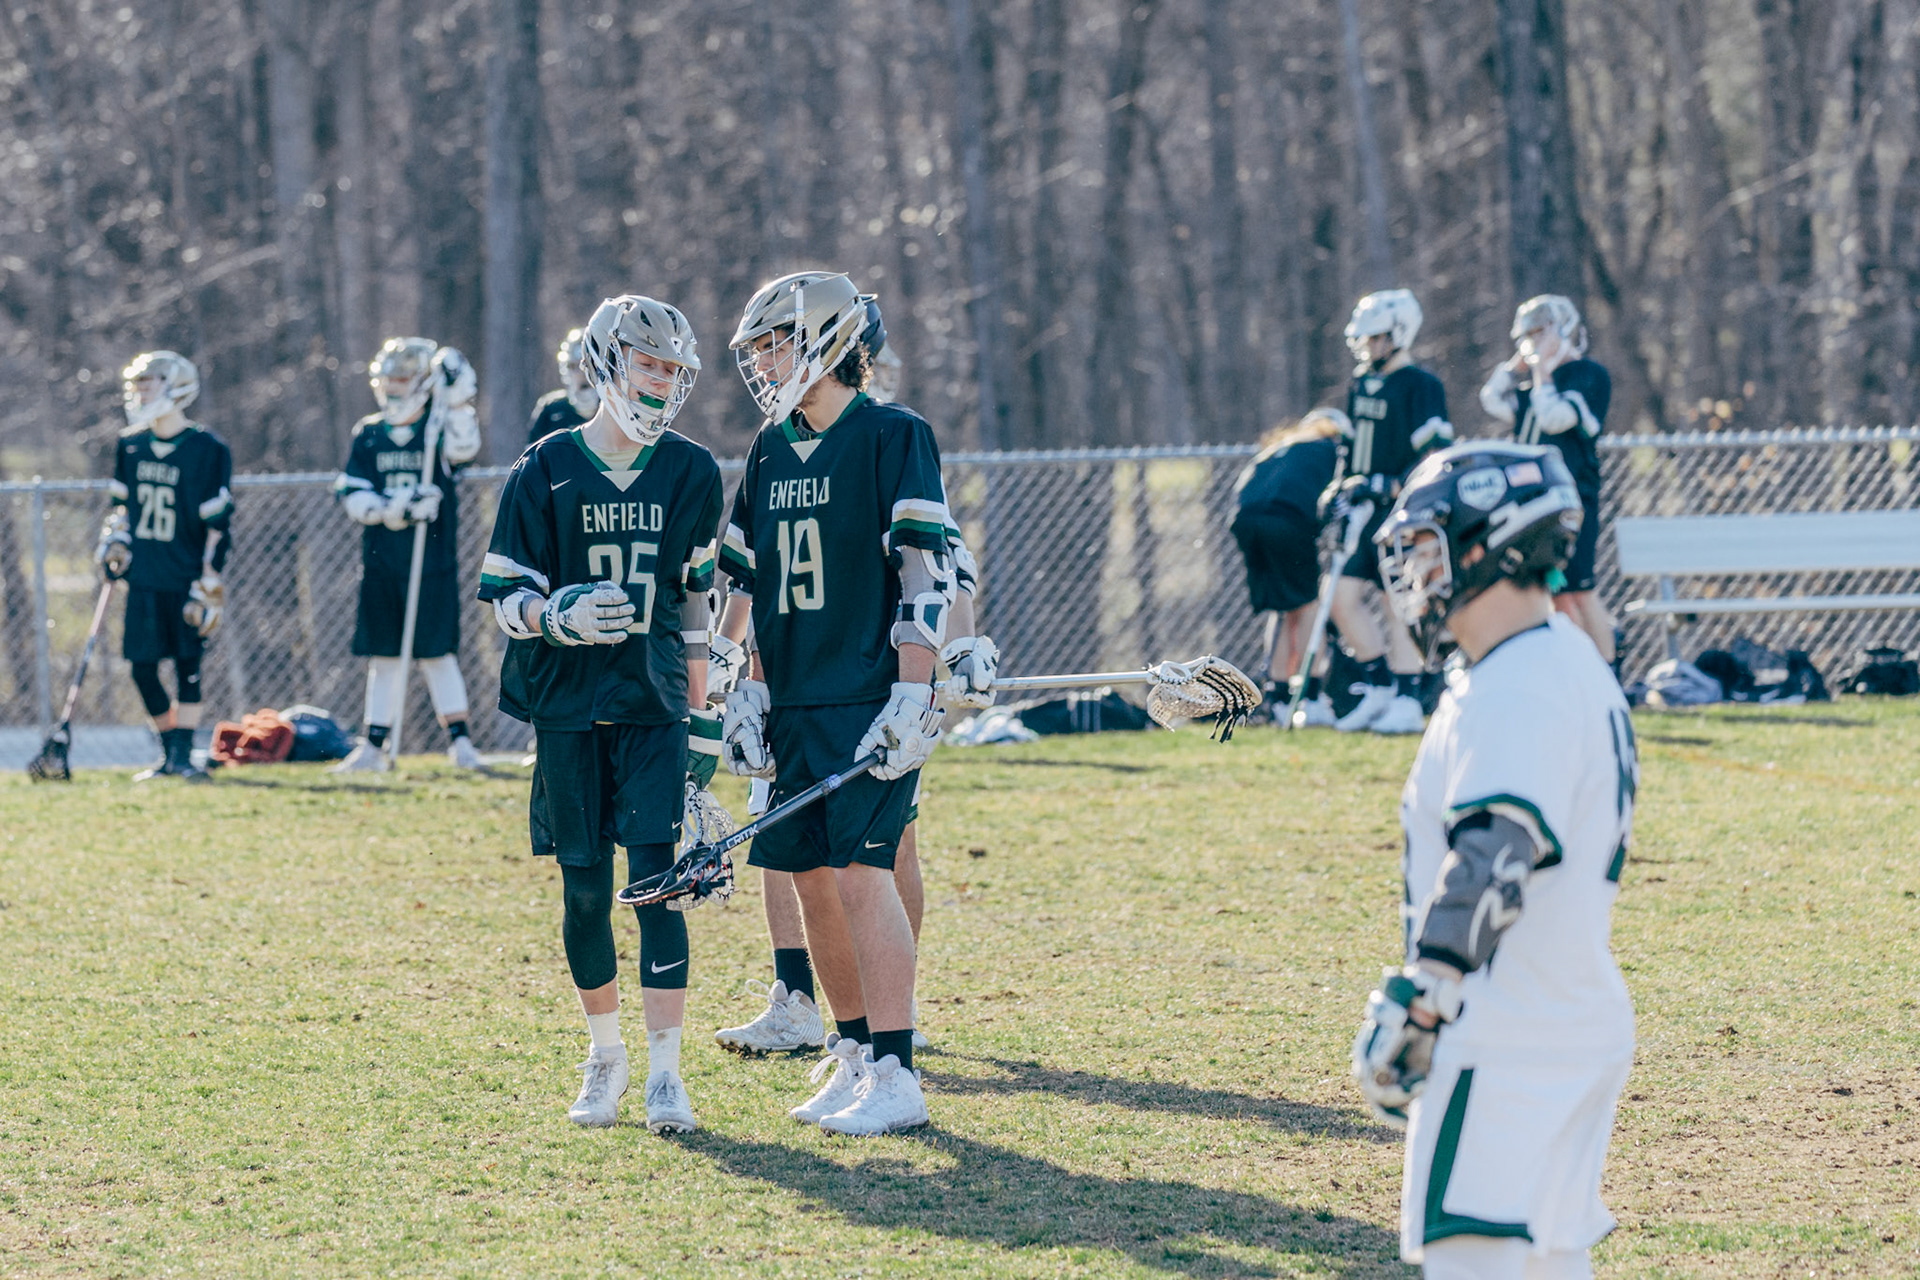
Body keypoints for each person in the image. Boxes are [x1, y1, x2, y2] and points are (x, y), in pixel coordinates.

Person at [1350, 442, 1637, 1279]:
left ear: (1491, 542)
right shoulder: (1556, 655)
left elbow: (1495, 855)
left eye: (1429, 546)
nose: (1415, 573)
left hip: (1507, 1036)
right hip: (1563, 1014)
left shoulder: (1521, 680)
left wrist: (1425, 997)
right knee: (1545, 1264)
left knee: (1474, 1264)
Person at [712, 295, 994, 1060]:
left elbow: (927, 570)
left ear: (825, 342)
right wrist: (748, 687)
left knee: (868, 870)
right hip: (793, 699)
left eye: (773, 345)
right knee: (809, 876)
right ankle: (852, 1049)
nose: (761, 364)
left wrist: (915, 686)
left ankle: (893, 1056)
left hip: (867, 691)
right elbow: (758, 587)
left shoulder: (893, 433)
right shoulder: (769, 448)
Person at [477, 294, 725, 1134]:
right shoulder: (544, 465)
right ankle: (606, 1054)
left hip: (652, 703)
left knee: (659, 890)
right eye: (649, 363)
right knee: (585, 893)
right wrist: (554, 615)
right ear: (609, 361)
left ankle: (666, 1073)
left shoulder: (691, 470)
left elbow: (696, 601)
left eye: (673, 369)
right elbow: (504, 596)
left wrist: (704, 713)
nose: (661, 382)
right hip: (568, 706)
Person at [331, 337, 484, 771]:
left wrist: (458, 399)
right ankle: (374, 746)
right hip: (382, 562)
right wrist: (394, 508)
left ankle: (461, 744)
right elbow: (353, 494)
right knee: (384, 657)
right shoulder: (369, 433)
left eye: (402, 379)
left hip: (432, 562)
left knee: (437, 655)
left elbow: (464, 449)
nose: (393, 387)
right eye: (389, 378)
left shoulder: (437, 431)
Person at [95, 351, 233, 782]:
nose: (140, 393)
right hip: (145, 575)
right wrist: (115, 543)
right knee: (142, 667)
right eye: (137, 385)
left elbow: (218, 525)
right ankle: (170, 746)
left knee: (188, 665)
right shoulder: (131, 443)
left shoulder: (207, 448)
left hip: (186, 574)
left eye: (149, 384)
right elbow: (121, 510)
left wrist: (209, 578)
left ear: (176, 387)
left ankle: (182, 755)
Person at [1324, 289, 1453, 735]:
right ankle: (1378, 685)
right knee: (1338, 598)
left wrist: (1388, 484)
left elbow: (1435, 456)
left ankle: (1407, 696)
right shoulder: (1360, 383)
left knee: (1397, 602)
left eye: (1375, 337)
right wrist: (1340, 484)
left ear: (1399, 335)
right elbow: (1352, 448)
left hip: (1402, 511)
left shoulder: (1421, 386)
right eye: (1364, 338)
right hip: (1363, 510)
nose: (1367, 346)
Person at [1479, 295, 1617, 665]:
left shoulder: (1587, 375)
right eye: (1530, 335)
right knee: (1553, 593)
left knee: (1581, 590)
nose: (1535, 341)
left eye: (1541, 332)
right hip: (1532, 502)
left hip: (1572, 499)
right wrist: (1516, 367)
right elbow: (1491, 399)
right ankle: (1577, 668)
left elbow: (1555, 418)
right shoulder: (1534, 387)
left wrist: (1542, 372)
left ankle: (1606, 669)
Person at [1229, 408, 1349, 725]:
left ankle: (1278, 696)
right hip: (1286, 520)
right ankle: (1311, 696)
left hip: (1246, 520)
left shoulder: (1280, 449)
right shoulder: (1330, 450)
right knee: (1308, 606)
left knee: (1283, 608)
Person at [528, 327, 599, 447]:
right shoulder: (551, 409)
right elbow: (531, 452)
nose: (582, 373)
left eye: (588, 365)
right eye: (574, 366)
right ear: (566, 368)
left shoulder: (613, 407)